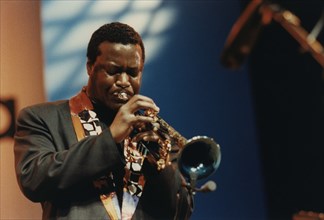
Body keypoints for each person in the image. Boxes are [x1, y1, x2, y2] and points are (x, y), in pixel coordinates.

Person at [14, 22, 193, 220]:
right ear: (90, 67)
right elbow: (34, 180)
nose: (124, 81)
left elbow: (181, 212)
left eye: (133, 73)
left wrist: (160, 170)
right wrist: (110, 138)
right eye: (113, 71)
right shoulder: (41, 118)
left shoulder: (154, 134)